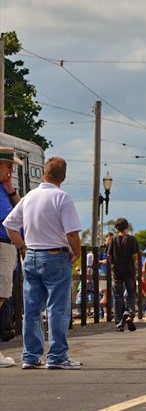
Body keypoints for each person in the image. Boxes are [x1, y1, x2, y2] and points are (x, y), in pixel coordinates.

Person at [3, 157, 83, 369]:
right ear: (63, 177)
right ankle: (57, 357)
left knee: (31, 310)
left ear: (44, 173)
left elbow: (9, 225)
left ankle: (30, 356)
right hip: (55, 256)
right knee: (57, 309)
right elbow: (72, 232)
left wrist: (23, 246)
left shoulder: (29, 197)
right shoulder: (62, 198)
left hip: (31, 256)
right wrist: (77, 252)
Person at [0, 148, 24, 368]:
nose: (10, 171)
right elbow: (14, 218)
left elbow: (22, 210)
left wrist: (11, 191)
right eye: (9, 166)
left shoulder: (3, 191)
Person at [107, 217, 139, 332]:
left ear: (116, 228)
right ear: (127, 227)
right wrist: (132, 264)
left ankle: (119, 322)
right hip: (129, 271)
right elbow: (135, 255)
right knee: (131, 294)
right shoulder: (132, 239)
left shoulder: (113, 239)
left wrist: (113, 264)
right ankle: (129, 315)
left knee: (117, 297)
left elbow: (109, 256)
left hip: (116, 272)